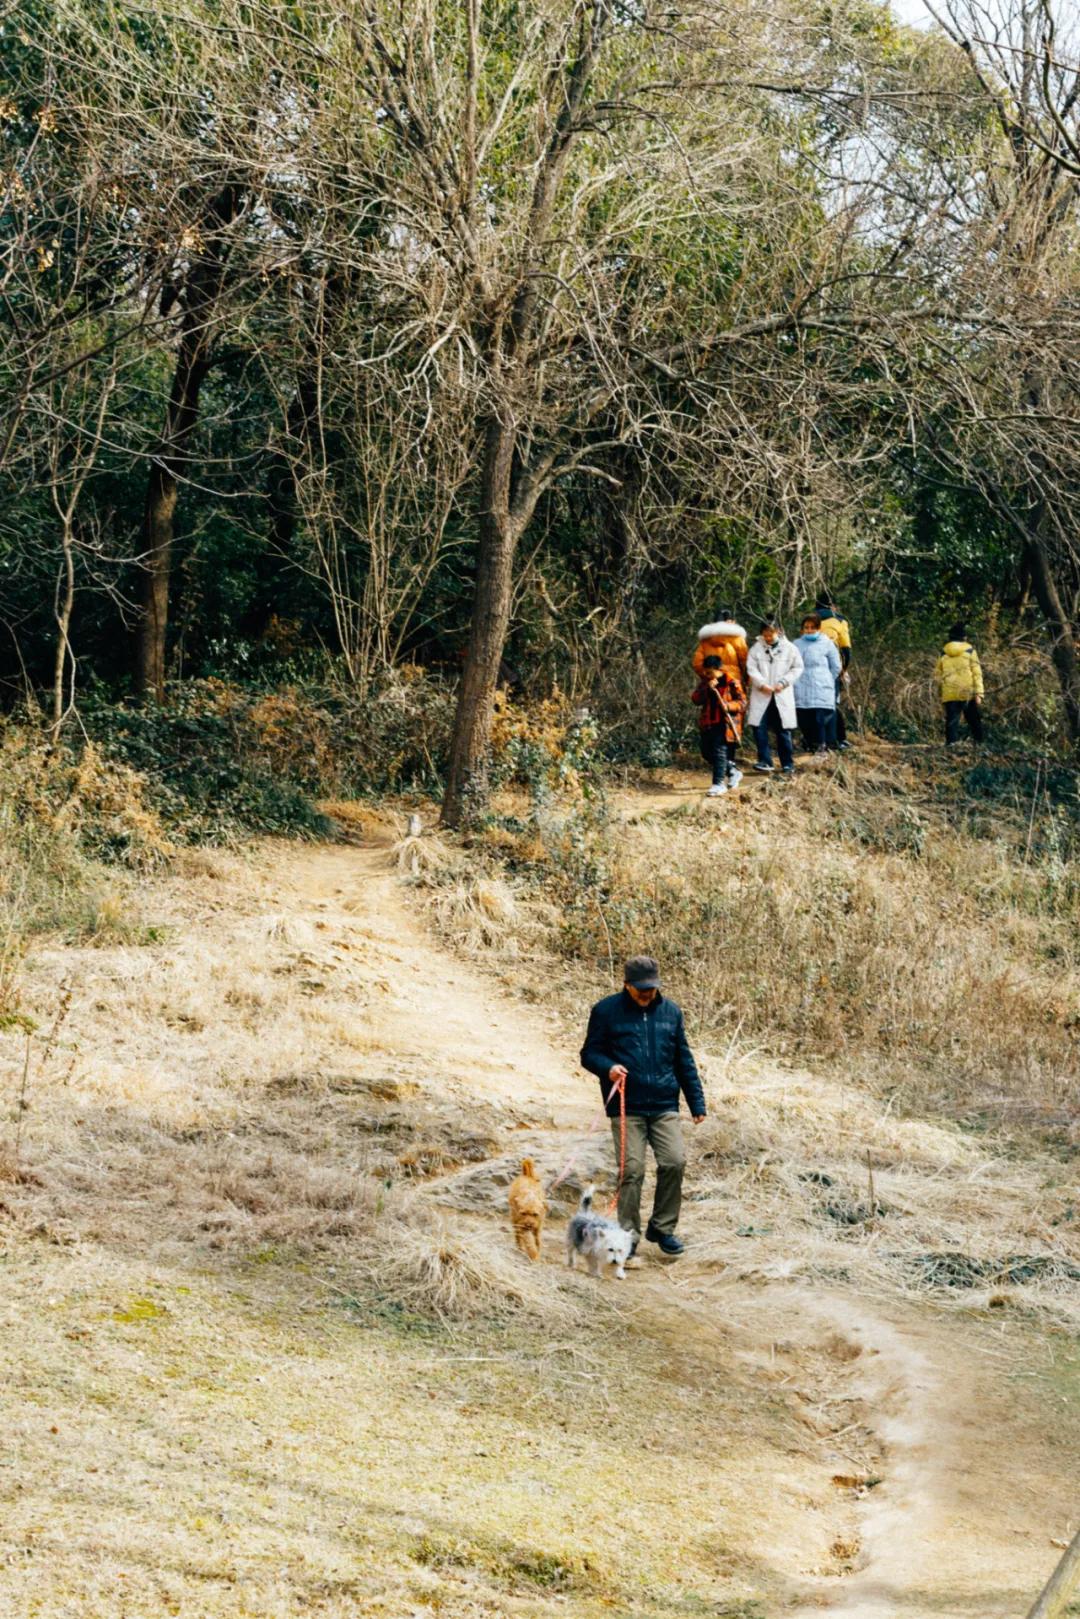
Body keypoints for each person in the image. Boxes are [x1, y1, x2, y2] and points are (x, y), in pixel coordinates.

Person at [580, 955, 706, 1257]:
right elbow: (589, 1053)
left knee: (674, 1161)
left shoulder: (671, 1013)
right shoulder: (606, 1011)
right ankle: (628, 1237)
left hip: (664, 1103)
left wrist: (696, 1102)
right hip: (627, 1106)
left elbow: (683, 1060)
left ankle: (662, 1229)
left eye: (651, 987)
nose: (647, 994)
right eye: (641, 989)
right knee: (632, 1170)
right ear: (627, 985)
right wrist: (608, 1067)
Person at [747, 618, 803, 775]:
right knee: (759, 727)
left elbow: (797, 668)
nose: (768, 637)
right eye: (765, 634)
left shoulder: (790, 648)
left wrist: (784, 682)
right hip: (762, 694)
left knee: (783, 729)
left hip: (781, 693)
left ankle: (787, 763)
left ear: (778, 631)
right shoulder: (756, 649)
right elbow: (751, 669)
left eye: (771, 633)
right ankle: (765, 760)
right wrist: (761, 684)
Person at [691, 654, 746, 797]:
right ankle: (733, 771)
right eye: (706, 672)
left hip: (725, 724)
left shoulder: (731, 682)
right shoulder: (705, 683)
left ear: (718, 669)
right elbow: (696, 699)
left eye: (710, 672)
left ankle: (718, 784)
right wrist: (707, 689)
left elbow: (742, 703)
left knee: (719, 752)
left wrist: (728, 706)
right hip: (708, 723)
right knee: (706, 752)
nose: (708, 675)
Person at [793, 613, 842, 753]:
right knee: (804, 716)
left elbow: (836, 666)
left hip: (822, 686)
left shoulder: (827, 643)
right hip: (801, 685)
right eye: (806, 627)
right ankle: (810, 744)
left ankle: (822, 746)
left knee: (821, 717)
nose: (809, 630)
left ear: (819, 628)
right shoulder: (797, 644)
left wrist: (826, 678)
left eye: (812, 627)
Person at [936, 622, 984, 746]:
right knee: (974, 720)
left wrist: (940, 691)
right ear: (964, 637)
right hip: (967, 690)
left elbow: (937, 674)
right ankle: (979, 744)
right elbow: (977, 672)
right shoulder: (969, 650)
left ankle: (951, 747)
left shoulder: (943, 652)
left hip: (950, 691)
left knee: (952, 721)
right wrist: (979, 693)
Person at [815, 593, 853, 750]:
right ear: (833, 605)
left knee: (814, 704)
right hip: (832, 668)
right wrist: (844, 670)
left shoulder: (810, 619)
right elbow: (846, 649)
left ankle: (816, 740)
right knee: (831, 703)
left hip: (812, 668)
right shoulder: (840, 620)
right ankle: (835, 740)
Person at [691, 608, 749, 685]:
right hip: (733, 682)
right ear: (732, 622)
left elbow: (697, 664)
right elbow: (745, 662)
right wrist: (745, 681)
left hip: (712, 683)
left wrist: (708, 676)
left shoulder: (706, 640)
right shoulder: (737, 639)